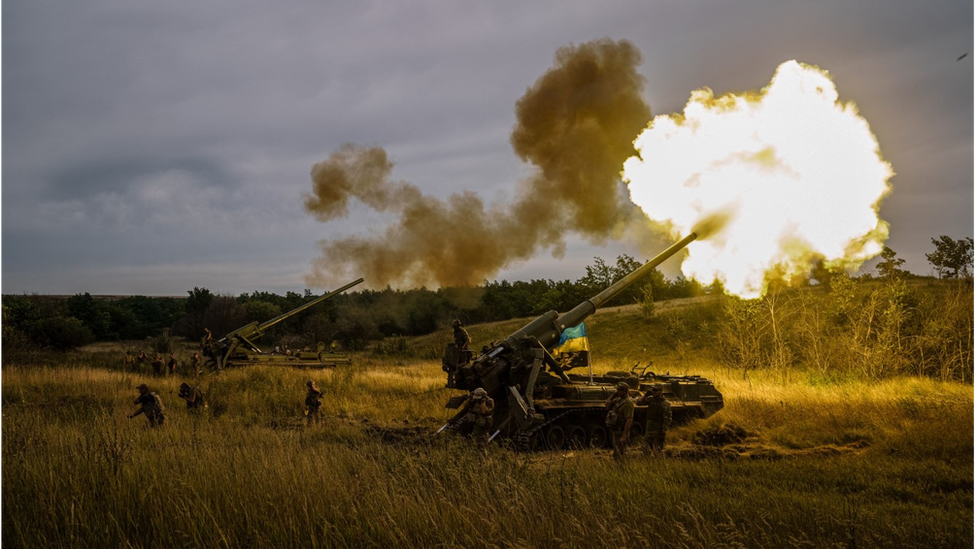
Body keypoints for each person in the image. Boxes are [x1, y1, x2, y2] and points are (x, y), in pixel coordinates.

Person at [637, 385, 672, 452]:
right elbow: (639, 402)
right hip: (649, 430)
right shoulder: (651, 399)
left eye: (656, 390)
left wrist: (663, 433)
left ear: (661, 391)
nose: (654, 392)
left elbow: (667, 419)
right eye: (653, 390)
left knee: (657, 451)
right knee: (646, 450)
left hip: (657, 431)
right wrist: (645, 394)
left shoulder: (664, 403)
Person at [605, 382, 635, 461]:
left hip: (621, 431)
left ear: (624, 391)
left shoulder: (628, 403)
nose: (617, 391)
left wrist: (624, 435)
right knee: (616, 453)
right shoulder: (618, 400)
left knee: (620, 454)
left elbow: (629, 420)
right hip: (616, 430)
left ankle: (622, 468)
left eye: (619, 390)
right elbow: (607, 404)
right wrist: (613, 396)